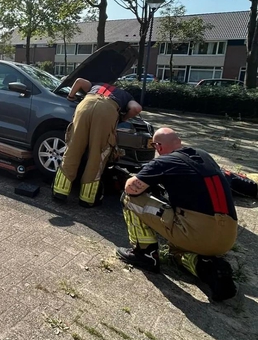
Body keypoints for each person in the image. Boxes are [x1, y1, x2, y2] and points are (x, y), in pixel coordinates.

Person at [117, 127, 238, 302]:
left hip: (197, 233)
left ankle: (144, 255)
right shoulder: (204, 155)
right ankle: (209, 269)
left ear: (158, 147)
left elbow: (131, 188)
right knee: (175, 251)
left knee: (129, 199)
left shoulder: (163, 162)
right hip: (227, 236)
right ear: (179, 142)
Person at [53, 79, 142, 207]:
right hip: (107, 111)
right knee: (97, 155)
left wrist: (70, 97)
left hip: (85, 105)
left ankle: (60, 191)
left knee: (73, 148)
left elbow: (79, 81)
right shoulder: (126, 96)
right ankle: (86, 198)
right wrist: (123, 118)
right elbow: (136, 108)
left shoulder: (96, 85)